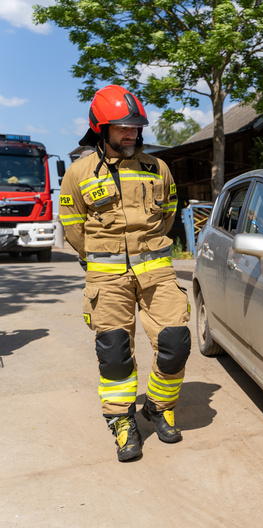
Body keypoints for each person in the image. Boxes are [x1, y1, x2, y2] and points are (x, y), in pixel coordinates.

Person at [59, 85, 190, 462]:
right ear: (101, 129)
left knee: (176, 341)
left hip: (157, 273)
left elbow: (168, 215)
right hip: (106, 277)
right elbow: (73, 227)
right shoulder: (78, 173)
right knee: (115, 353)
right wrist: (101, 259)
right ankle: (121, 421)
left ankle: (159, 406)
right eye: (122, 127)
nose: (131, 133)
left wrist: (148, 252)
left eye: (135, 127)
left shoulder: (157, 168)